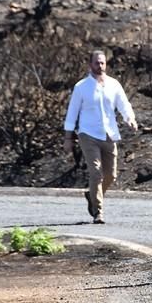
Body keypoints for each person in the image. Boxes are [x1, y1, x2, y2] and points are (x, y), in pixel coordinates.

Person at [64, 50, 137, 224]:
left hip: (109, 134)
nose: (100, 66)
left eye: (103, 62)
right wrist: (68, 137)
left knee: (111, 175)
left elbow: (123, 104)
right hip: (88, 133)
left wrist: (130, 119)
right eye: (97, 63)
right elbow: (72, 112)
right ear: (90, 65)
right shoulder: (81, 87)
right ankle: (98, 212)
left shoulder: (113, 84)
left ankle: (92, 195)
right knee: (96, 173)